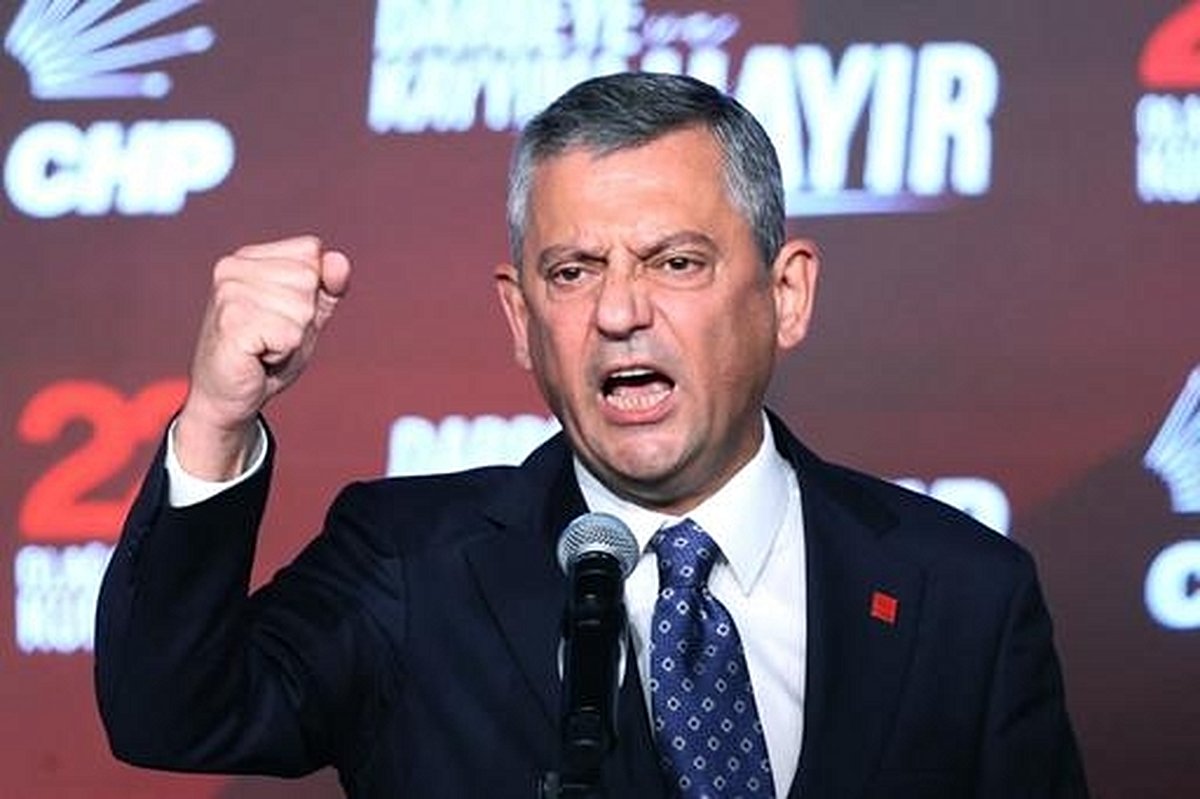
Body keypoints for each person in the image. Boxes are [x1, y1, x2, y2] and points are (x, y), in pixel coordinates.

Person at [95, 72, 1088, 798]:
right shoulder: (409, 567)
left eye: (676, 262)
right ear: (520, 316)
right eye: (572, 272)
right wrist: (218, 416)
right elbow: (172, 712)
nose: (619, 312)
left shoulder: (964, 593)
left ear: (787, 294)